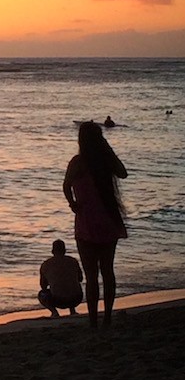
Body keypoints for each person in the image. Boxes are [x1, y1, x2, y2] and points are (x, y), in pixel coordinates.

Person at [63, 121, 128, 329]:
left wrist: (72, 203)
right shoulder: (105, 162)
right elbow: (123, 172)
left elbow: (65, 186)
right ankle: (107, 318)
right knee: (107, 271)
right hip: (108, 220)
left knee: (91, 276)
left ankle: (93, 321)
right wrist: (107, 148)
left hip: (86, 222)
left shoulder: (77, 162)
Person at [38, 239, 83, 318]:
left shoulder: (46, 264)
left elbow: (43, 286)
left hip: (57, 300)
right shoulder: (73, 261)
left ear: (52, 251)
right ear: (65, 250)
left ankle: (54, 312)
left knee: (41, 294)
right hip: (76, 298)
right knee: (75, 285)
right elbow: (80, 278)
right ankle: (72, 310)